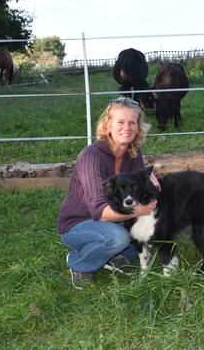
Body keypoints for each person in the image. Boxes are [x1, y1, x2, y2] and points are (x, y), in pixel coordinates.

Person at [57, 97, 159, 289]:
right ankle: (79, 262)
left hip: (115, 218)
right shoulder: (91, 156)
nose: (127, 127)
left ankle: (111, 256)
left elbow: (143, 186)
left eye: (132, 123)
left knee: (148, 237)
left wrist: (152, 181)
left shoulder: (133, 153)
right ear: (108, 125)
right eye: (120, 122)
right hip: (79, 222)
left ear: (139, 127)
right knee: (119, 238)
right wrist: (140, 212)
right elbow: (100, 211)